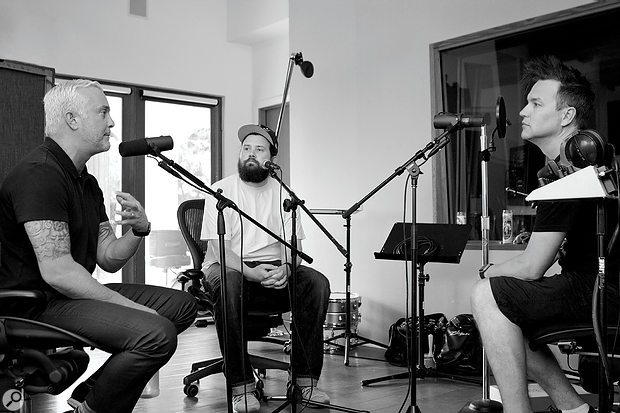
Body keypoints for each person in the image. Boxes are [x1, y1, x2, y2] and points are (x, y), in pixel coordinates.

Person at [0, 79, 198, 413]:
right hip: (36, 304)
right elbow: (59, 272)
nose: (112, 122)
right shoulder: (41, 175)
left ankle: (90, 394)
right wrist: (135, 309)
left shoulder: (86, 182)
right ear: (72, 119)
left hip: (66, 296)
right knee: (156, 333)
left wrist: (139, 230)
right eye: (103, 111)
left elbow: (107, 257)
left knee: (181, 306)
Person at [471, 56, 619, 413]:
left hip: (602, 291)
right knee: (505, 312)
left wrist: (489, 272)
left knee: (487, 295)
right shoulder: (591, 158)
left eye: (536, 103)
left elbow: (533, 266)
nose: (523, 111)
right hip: (595, 285)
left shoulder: (570, 173)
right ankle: (573, 408)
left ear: (567, 116)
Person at [200, 124, 331, 413]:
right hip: (230, 267)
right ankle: (241, 386)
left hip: (274, 270)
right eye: (246, 148)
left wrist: (286, 266)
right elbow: (217, 250)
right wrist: (249, 271)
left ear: (271, 158)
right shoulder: (220, 191)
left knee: (317, 283)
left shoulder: (284, 193)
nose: (250, 154)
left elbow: (294, 246)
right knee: (230, 282)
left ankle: (304, 382)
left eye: (259, 149)